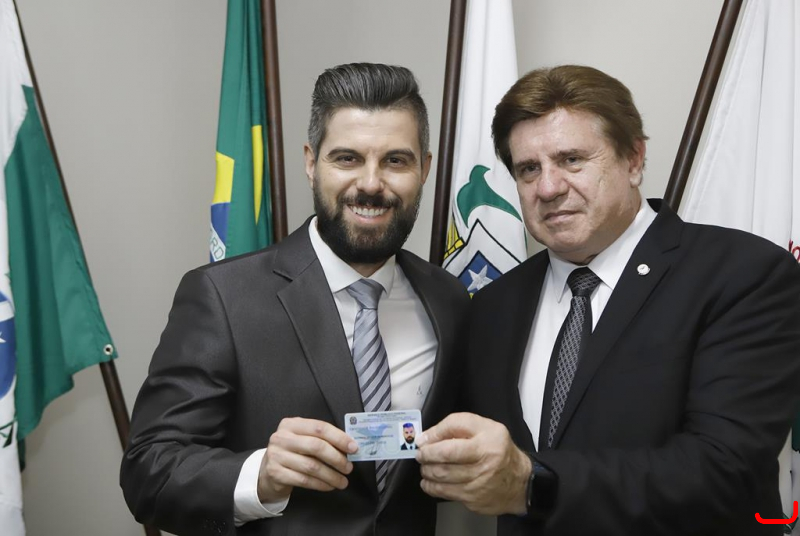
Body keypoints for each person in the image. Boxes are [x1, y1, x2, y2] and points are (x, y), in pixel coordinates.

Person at [415, 65, 800, 535]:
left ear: (634, 160)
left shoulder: (742, 274)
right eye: (528, 169)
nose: (548, 188)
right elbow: (446, 444)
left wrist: (533, 484)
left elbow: (726, 469)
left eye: (572, 159)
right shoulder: (493, 306)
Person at [120, 63, 470, 536]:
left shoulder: (448, 299)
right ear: (310, 162)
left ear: (424, 169)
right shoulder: (223, 297)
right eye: (347, 158)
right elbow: (148, 472)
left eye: (395, 161)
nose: (371, 183)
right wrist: (260, 476)